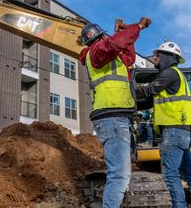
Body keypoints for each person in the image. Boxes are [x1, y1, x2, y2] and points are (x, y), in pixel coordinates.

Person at [79, 17, 151, 208]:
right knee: (119, 174)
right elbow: (116, 42)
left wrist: (123, 31)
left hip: (119, 117)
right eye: (105, 36)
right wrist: (138, 27)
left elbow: (129, 56)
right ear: (98, 38)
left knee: (121, 173)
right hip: (111, 117)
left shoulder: (111, 57)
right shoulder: (95, 52)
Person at [136, 41, 191, 207]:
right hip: (182, 132)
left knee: (170, 174)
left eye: (157, 55)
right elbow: (149, 101)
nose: (154, 58)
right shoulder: (175, 77)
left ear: (166, 56)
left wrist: (126, 90)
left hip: (173, 131)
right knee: (188, 172)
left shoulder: (169, 74)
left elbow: (148, 90)